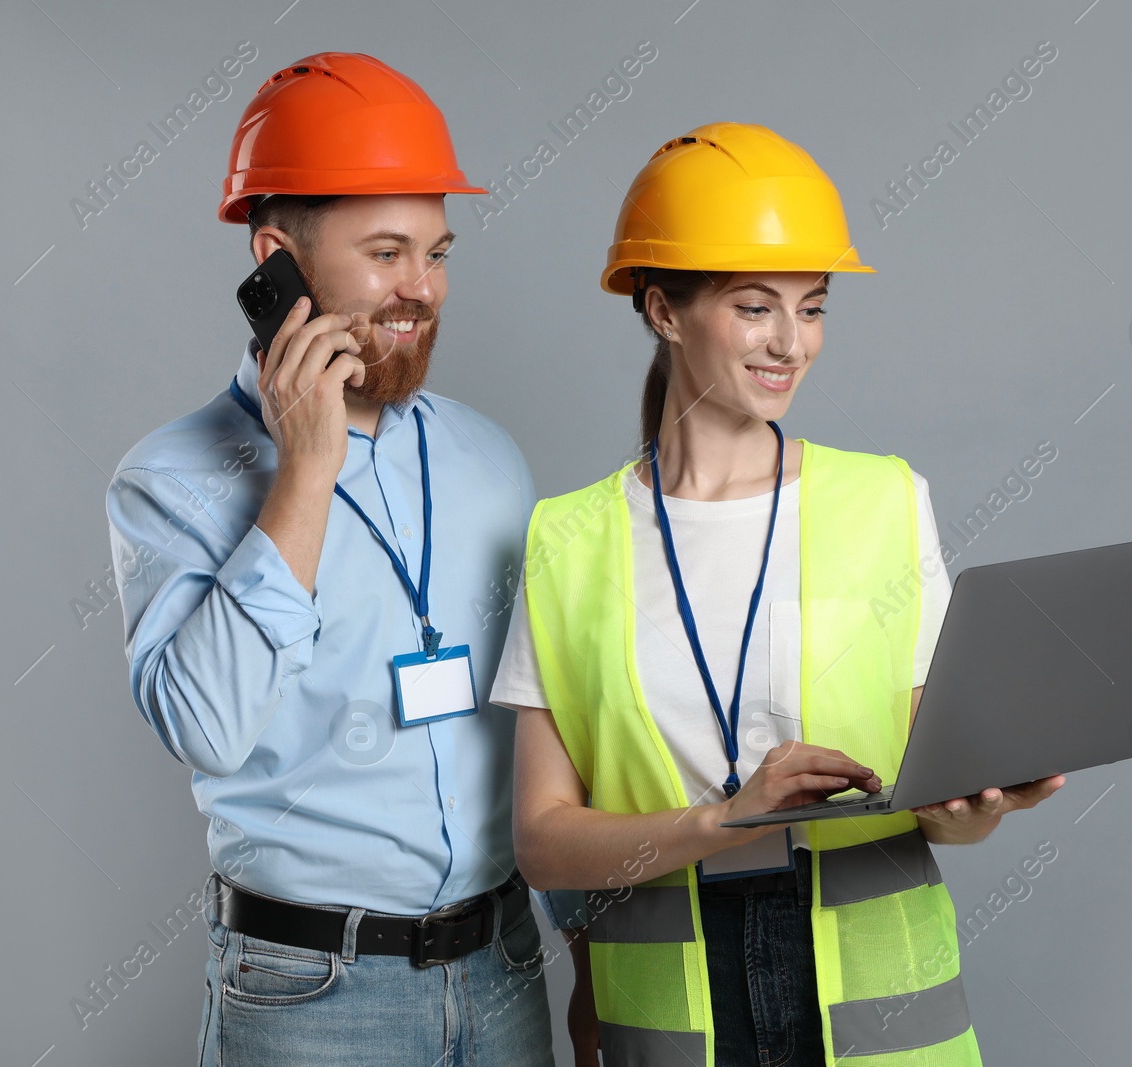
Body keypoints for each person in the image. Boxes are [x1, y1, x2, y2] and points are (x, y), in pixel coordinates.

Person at [493, 122, 1065, 1066]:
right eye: (756, 307)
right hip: (674, 999)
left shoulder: (884, 499)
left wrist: (977, 809)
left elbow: (937, 784)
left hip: (880, 997)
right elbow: (545, 845)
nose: (790, 343)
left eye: (812, 307)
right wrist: (723, 817)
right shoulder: (568, 537)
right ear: (663, 309)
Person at [105, 53, 573, 1066]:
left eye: (437, 252)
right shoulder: (169, 478)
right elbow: (206, 724)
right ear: (278, 260)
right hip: (312, 993)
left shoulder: (490, 459)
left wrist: (589, 940)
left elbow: (548, 720)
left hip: (506, 966)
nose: (422, 289)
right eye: (387, 252)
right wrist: (305, 471)